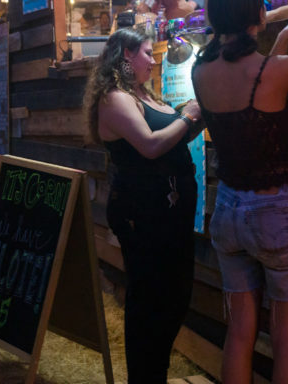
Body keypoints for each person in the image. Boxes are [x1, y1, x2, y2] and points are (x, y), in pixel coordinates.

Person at [191, 0, 288, 384]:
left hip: (230, 211)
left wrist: (287, 38)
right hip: (281, 213)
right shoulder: (282, 70)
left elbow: (254, 80)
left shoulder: (201, 74)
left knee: (239, 332)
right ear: (258, 13)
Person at [81, 26, 203, 383]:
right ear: (126, 57)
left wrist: (193, 118)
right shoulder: (114, 98)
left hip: (171, 211)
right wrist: (187, 116)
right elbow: (150, 145)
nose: (154, 58)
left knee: (176, 296)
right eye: (148, 52)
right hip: (143, 213)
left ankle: (155, 375)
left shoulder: (144, 94)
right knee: (151, 300)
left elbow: (175, 137)